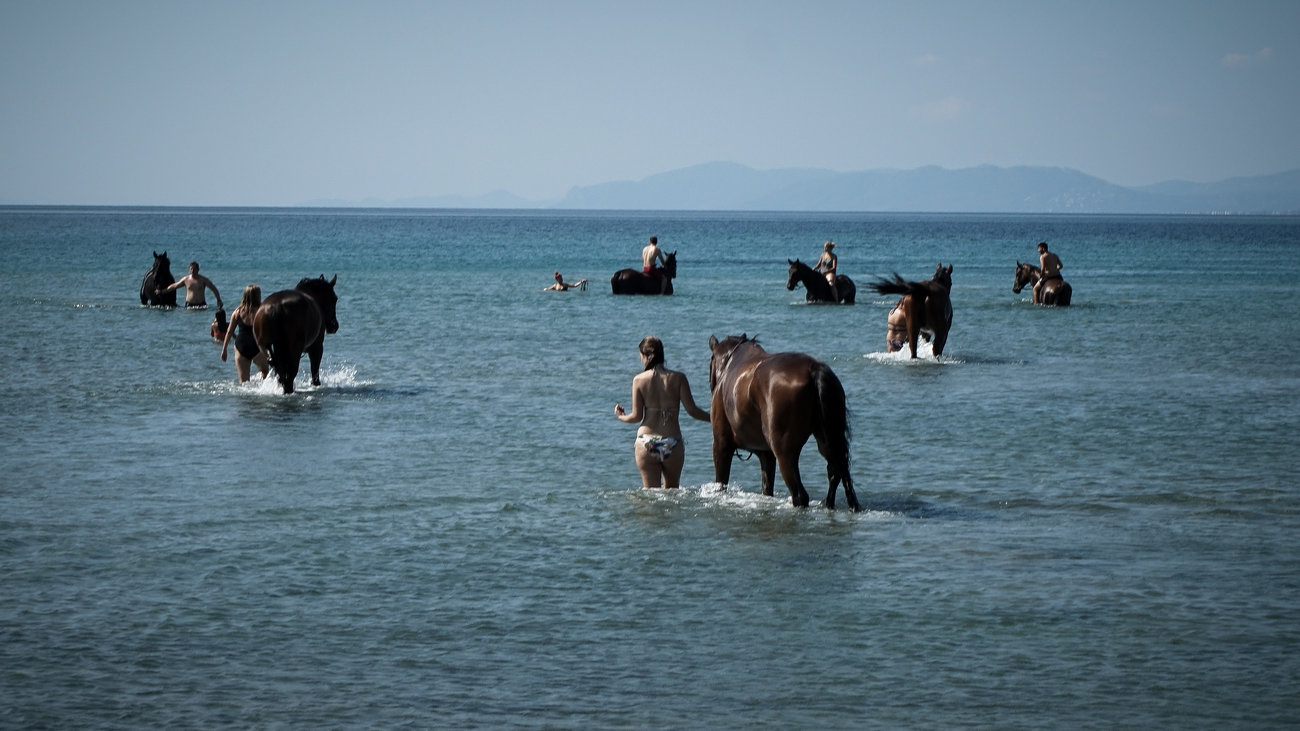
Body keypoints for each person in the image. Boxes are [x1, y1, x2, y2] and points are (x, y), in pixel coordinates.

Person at [614, 336, 710, 488]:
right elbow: (692, 411)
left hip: (646, 441)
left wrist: (621, 416)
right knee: (672, 497)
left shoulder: (638, 380)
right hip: (672, 442)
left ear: (645, 356)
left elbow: (636, 417)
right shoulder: (678, 378)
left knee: (650, 498)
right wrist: (715, 419)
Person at [219, 284, 269, 383]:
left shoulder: (237, 312)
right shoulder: (263, 311)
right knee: (265, 372)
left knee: (243, 382)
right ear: (258, 296)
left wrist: (224, 350)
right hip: (257, 347)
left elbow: (229, 332)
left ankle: (245, 399)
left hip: (241, 347)